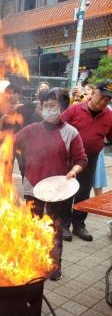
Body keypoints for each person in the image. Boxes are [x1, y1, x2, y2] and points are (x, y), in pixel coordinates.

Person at [15, 88, 87, 280]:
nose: (48, 109)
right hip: (33, 186)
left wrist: (73, 171)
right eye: (45, 105)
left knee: (55, 228)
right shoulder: (31, 130)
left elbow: (82, 159)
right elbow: (11, 144)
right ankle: (31, 262)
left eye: (52, 105)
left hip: (58, 189)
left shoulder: (71, 132)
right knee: (32, 226)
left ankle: (54, 265)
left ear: (63, 107)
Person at [60, 80, 112, 241]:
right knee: (67, 191)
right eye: (102, 96)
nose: (103, 101)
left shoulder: (110, 116)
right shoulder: (74, 110)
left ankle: (79, 225)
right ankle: (63, 225)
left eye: (107, 99)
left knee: (83, 192)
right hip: (69, 158)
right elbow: (57, 130)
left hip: (90, 159)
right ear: (94, 93)